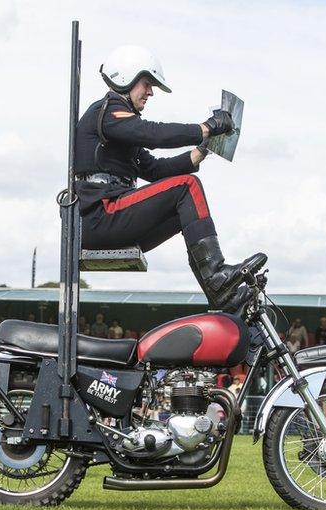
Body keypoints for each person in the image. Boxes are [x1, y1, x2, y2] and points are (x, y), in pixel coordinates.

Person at [73, 45, 264, 311]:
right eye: (147, 83)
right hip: (99, 215)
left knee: (183, 211)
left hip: (110, 215)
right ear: (126, 77)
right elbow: (153, 134)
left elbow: (154, 170)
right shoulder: (108, 111)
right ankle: (218, 276)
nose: (150, 92)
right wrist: (205, 128)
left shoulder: (121, 129)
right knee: (187, 187)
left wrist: (200, 152)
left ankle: (221, 297)